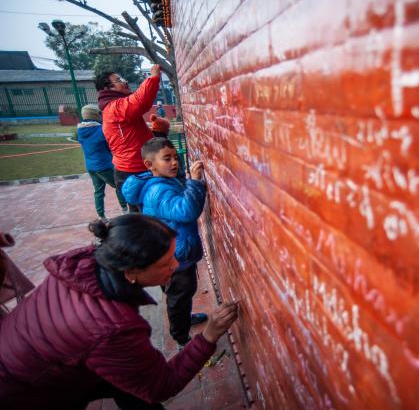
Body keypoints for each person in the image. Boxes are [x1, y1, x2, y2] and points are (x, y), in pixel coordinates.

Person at [0, 215, 239, 409]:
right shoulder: (112, 328)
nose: (175, 266)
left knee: (132, 384)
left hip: (24, 360)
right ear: (131, 273)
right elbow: (162, 385)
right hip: (27, 394)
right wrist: (209, 335)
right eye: (165, 263)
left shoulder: (87, 263)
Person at [122, 138, 208, 348]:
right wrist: (195, 183)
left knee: (178, 294)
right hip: (175, 257)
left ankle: (183, 319)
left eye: (175, 158)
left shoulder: (161, 182)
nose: (174, 163)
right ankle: (181, 337)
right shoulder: (159, 190)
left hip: (172, 251)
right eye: (167, 159)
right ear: (149, 165)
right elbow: (186, 211)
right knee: (180, 295)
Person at [96, 65, 161, 212]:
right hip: (133, 171)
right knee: (147, 216)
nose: (124, 82)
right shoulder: (114, 107)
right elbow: (140, 101)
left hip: (135, 168)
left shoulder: (114, 107)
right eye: (119, 80)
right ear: (108, 88)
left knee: (147, 213)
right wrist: (153, 77)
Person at [77, 104, 128, 220]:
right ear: (95, 115)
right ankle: (126, 210)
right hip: (104, 165)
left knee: (98, 191)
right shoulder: (101, 129)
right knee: (119, 186)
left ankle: (101, 216)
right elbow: (111, 146)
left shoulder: (80, 130)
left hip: (91, 167)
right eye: (99, 114)